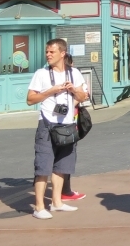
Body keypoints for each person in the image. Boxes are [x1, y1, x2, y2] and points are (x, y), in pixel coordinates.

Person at [26, 38, 89, 220]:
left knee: (62, 165)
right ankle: (39, 207)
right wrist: (50, 91)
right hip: (47, 124)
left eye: (52, 52)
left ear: (63, 53)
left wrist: (73, 91)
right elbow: (30, 99)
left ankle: (57, 203)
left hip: (67, 124)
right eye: (47, 52)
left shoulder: (74, 73)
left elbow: (83, 96)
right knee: (43, 166)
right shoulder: (41, 74)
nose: (48, 55)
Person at [60, 53, 85, 201]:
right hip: (67, 123)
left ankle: (64, 190)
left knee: (64, 153)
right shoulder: (47, 76)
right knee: (66, 154)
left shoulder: (74, 77)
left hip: (66, 121)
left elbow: (82, 96)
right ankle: (65, 191)